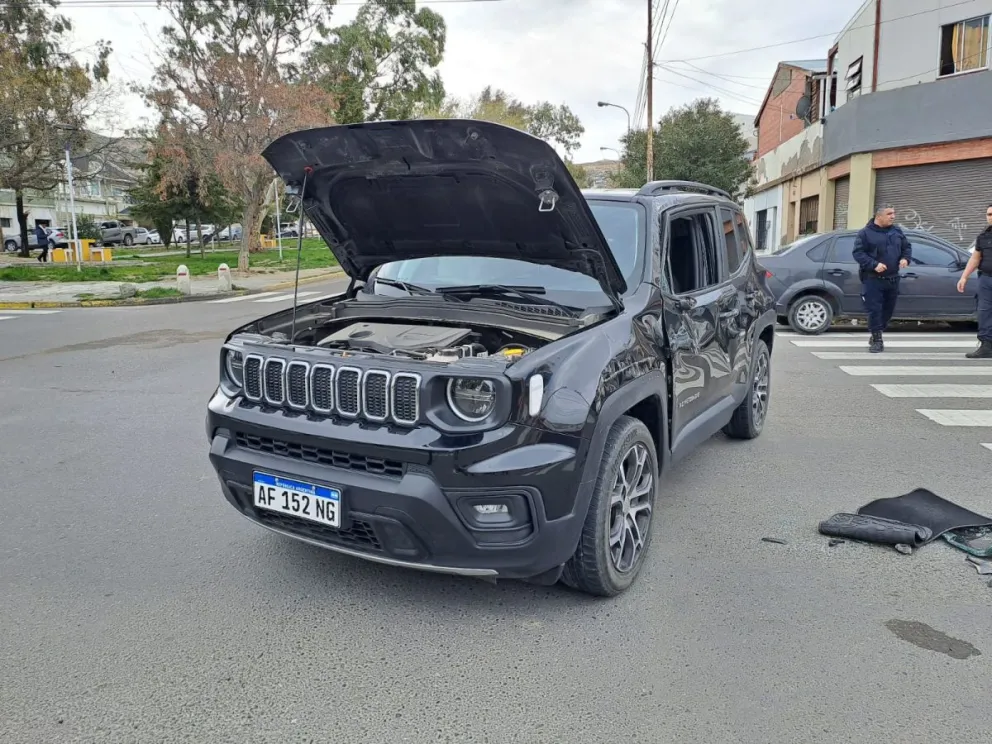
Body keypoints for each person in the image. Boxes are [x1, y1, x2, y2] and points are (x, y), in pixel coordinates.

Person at [852, 204, 911, 353]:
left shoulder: (897, 231)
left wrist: (905, 258)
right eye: (889, 214)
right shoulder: (865, 234)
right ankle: (877, 339)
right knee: (875, 310)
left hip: (892, 278)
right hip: (873, 279)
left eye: (894, 213)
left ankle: (877, 331)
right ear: (879, 217)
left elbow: (906, 247)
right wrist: (873, 264)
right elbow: (858, 253)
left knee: (888, 311)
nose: (893, 216)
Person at [956, 203, 992, 359]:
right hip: (986, 280)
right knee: (984, 313)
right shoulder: (983, 237)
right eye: (989, 214)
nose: (991, 217)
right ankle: (986, 345)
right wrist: (964, 276)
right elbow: (975, 258)